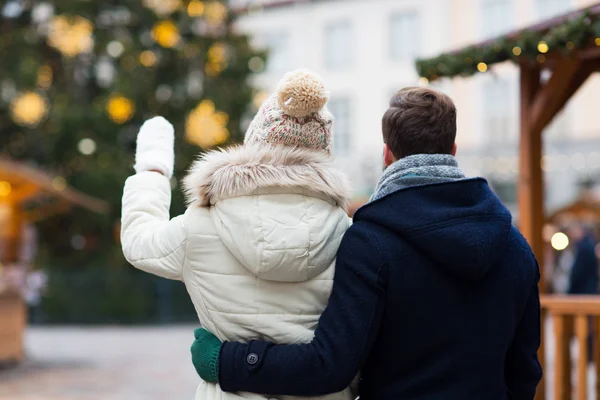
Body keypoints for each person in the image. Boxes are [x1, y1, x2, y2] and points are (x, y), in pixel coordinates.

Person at [190, 87, 543, 400]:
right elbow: (524, 372)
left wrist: (226, 360)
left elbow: (329, 365)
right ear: (452, 149)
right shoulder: (515, 247)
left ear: (387, 154)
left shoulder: (371, 244)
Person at [121, 69, 354, 400]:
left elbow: (137, 243)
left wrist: (153, 170)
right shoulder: (350, 235)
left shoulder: (200, 226)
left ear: (253, 145)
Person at [567, 223, 599, 295]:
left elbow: (578, 272)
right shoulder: (587, 245)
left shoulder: (585, 247)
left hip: (583, 290)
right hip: (588, 288)